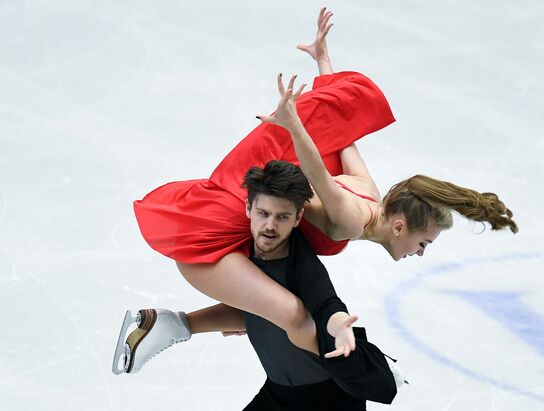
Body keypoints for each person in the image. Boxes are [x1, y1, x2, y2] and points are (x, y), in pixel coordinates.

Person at [114, 7, 518, 368]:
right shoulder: (353, 219)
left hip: (238, 230)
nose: (420, 253)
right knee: (294, 315)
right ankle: (356, 375)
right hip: (211, 237)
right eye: (423, 242)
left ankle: (162, 326)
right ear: (399, 226)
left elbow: (341, 133)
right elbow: (317, 175)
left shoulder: (368, 191)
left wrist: (324, 63)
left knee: (284, 310)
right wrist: (294, 126)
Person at [115, 161, 401, 410]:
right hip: (279, 394)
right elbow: (254, 312)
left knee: (295, 315)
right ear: (248, 208)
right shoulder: (243, 261)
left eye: (283, 217)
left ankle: (365, 359)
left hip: (330, 399)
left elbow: (325, 300)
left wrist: (339, 324)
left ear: (298, 218)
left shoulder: (302, 266)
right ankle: (175, 324)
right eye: (264, 213)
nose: (270, 226)